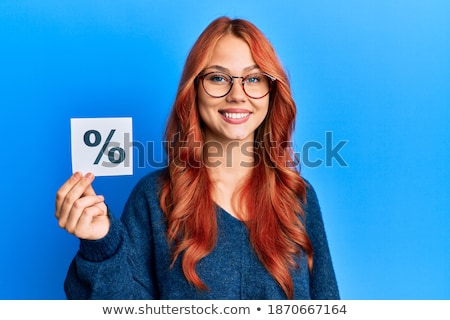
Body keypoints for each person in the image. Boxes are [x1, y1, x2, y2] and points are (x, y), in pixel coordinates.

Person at [55, 16, 340, 300]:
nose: (238, 95)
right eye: (218, 78)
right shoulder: (154, 199)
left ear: (271, 92)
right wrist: (100, 242)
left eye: (254, 79)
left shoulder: (298, 197)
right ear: (193, 90)